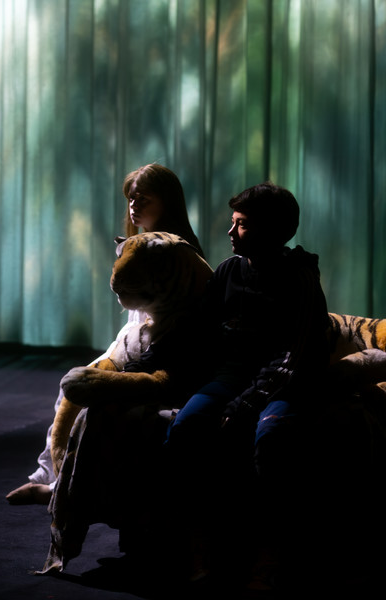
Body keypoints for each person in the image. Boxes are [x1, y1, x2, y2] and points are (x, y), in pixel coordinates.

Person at [142, 181, 331, 589]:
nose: (231, 231)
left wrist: (244, 405)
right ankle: (197, 544)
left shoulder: (299, 277)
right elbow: (196, 326)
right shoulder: (230, 270)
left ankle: (270, 551)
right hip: (232, 376)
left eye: (242, 224)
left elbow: (293, 358)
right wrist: (144, 361)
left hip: (285, 384)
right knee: (185, 427)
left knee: (272, 437)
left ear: (271, 230)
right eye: (233, 222)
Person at [6, 163, 204, 505]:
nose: (134, 205)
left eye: (144, 198)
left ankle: (60, 486)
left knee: (87, 397)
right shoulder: (138, 244)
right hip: (134, 339)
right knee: (68, 390)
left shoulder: (175, 251)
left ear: (167, 201)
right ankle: (51, 479)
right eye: (131, 198)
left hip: (163, 347)